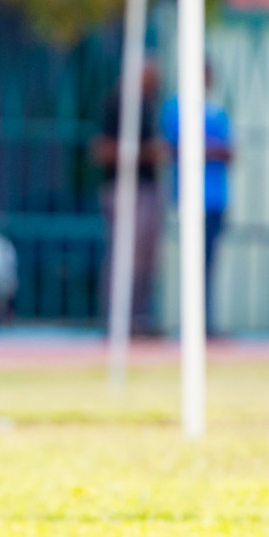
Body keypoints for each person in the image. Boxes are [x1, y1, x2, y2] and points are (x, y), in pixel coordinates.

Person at [92, 61, 165, 337]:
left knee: (147, 260)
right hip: (125, 189)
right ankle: (117, 320)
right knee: (125, 257)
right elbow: (102, 149)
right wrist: (148, 153)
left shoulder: (148, 106)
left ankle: (139, 319)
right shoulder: (118, 104)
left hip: (147, 188)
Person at [159, 61, 232, 336]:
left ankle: (206, 323)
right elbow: (177, 147)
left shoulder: (216, 111)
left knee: (209, 263)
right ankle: (191, 323)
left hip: (216, 199)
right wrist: (208, 149)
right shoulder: (176, 108)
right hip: (190, 198)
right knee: (193, 261)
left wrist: (205, 149)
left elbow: (229, 152)